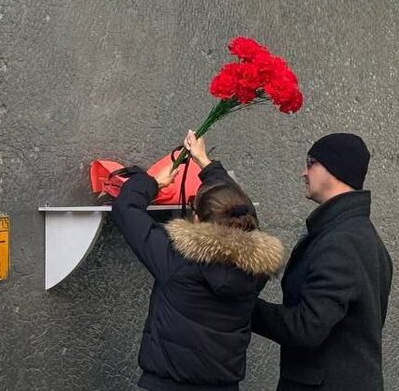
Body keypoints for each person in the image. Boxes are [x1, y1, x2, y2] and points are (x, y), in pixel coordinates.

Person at [112, 130, 285, 391]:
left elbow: (126, 209)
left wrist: (151, 182)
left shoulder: (176, 260)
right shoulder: (255, 271)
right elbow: (243, 211)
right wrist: (205, 163)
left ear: (197, 218)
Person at [251, 133, 392, 390]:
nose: (303, 174)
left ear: (333, 168)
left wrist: (241, 306)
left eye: (310, 163)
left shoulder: (342, 242)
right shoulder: (357, 234)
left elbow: (306, 328)